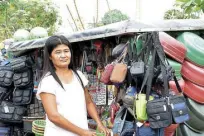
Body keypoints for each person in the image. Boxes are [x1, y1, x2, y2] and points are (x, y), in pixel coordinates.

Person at [37, 35, 111, 136]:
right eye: (58, 52)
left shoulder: (79, 76)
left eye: (66, 51)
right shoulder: (48, 81)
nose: (63, 55)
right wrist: (82, 132)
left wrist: (99, 123)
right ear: (50, 56)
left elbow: (89, 103)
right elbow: (53, 116)